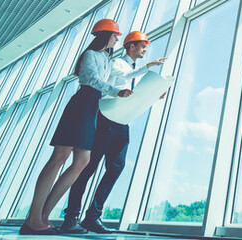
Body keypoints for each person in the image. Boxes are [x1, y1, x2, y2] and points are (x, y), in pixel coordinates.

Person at [19, 19, 131, 235]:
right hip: (82, 104)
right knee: (59, 158)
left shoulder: (107, 59)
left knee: (82, 161)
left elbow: (123, 76)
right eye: (115, 35)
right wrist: (116, 92)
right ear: (105, 35)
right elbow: (91, 80)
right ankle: (33, 220)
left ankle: (43, 217)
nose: (118, 39)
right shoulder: (89, 55)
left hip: (92, 109)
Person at [60, 31, 166, 234]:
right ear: (131, 46)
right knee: (89, 168)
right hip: (107, 118)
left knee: (116, 167)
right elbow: (115, 84)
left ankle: (92, 217)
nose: (145, 50)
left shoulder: (131, 68)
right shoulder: (117, 63)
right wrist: (148, 67)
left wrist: (152, 94)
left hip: (122, 120)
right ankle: (71, 215)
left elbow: (131, 95)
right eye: (143, 46)